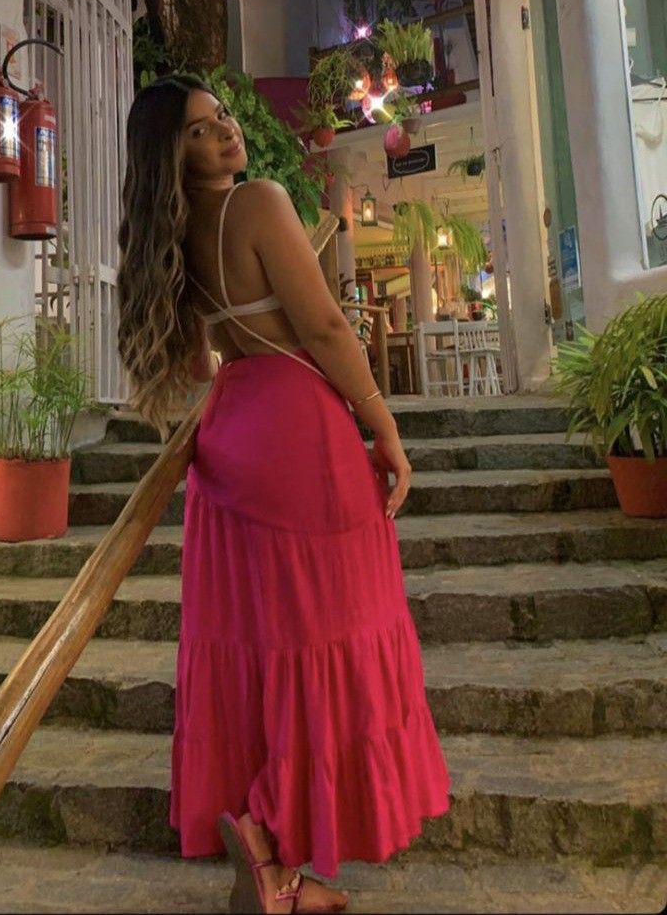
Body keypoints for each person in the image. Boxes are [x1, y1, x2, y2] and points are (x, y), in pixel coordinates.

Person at [116, 76, 450, 914]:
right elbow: (327, 326)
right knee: (329, 631)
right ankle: (274, 831)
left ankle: (276, 867)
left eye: (220, 116)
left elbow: (199, 365)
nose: (224, 131)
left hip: (235, 436)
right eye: (198, 131)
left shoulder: (175, 235)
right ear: (173, 156)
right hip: (302, 433)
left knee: (270, 643)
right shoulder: (259, 201)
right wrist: (384, 426)